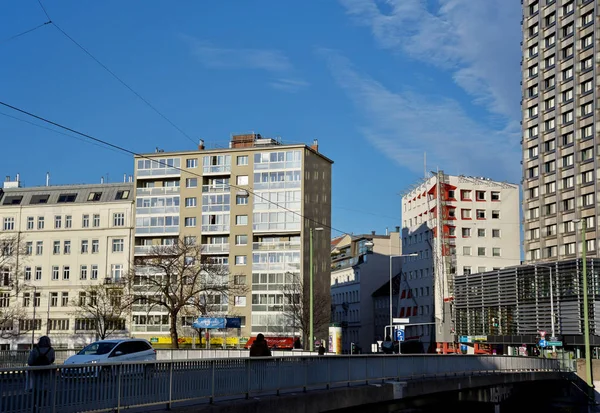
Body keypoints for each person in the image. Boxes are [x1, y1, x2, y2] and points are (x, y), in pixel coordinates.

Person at [27, 336, 55, 410]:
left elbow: (30, 362)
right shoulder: (51, 350)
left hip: (36, 372)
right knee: (44, 388)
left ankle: (34, 404)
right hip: (46, 372)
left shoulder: (35, 350)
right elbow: (52, 360)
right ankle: (40, 404)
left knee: (35, 388)